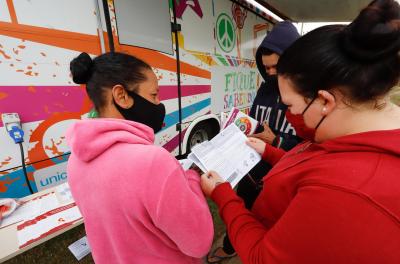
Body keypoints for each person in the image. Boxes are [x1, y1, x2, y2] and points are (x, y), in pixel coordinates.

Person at [201, 0, 400, 263]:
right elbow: (310, 167)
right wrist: (270, 151)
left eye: (290, 105)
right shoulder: (345, 135)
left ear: (325, 101)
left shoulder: (348, 192)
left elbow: (264, 257)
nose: (288, 114)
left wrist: (223, 194)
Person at [66, 52, 213, 264]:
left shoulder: (75, 161)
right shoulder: (153, 162)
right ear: (121, 96)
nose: (159, 104)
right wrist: (191, 179)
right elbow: (199, 242)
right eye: (154, 95)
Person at [207, 21, 301, 263]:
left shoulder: (307, 93)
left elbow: (310, 148)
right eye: (265, 67)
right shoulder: (266, 87)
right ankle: (230, 246)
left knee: (270, 225)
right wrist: (240, 127)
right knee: (239, 209)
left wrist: (278, 140)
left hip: (280, 176)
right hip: (250, 167)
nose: (269, 73)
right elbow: (257, 120)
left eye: (276, 67)